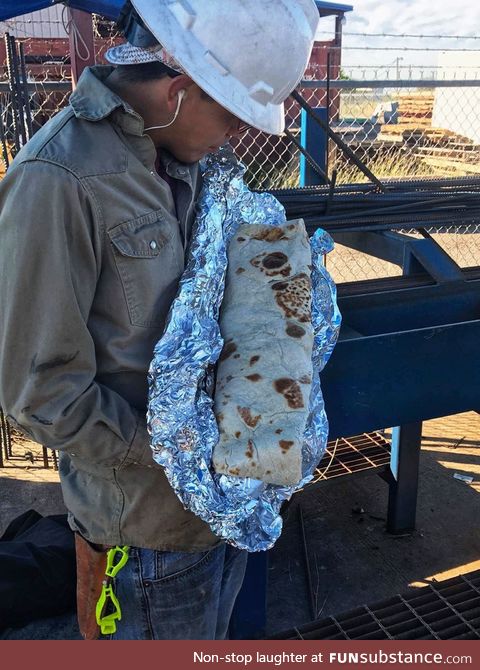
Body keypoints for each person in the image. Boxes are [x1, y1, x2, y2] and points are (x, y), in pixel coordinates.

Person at [0, 0, 319, 639]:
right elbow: (38, 392)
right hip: (146, 533)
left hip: (223, 506)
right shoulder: (59, 179)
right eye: (231, 115)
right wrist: (181, 457)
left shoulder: (183, 160)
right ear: (179, 90)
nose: (235, 135)